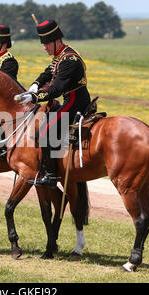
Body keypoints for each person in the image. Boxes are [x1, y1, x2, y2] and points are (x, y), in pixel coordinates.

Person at [21, 19, 91, 188]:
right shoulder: (60, 55)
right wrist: (36, 84)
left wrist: (35, 97)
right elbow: (49, 72)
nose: (44, 47)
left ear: (56, 40)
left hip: (75, 101)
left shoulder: (69, 60)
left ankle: (51, 175)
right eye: (43, 43)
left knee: (46, 131)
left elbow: (57, 89)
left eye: (46, 43)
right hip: (70, 98)